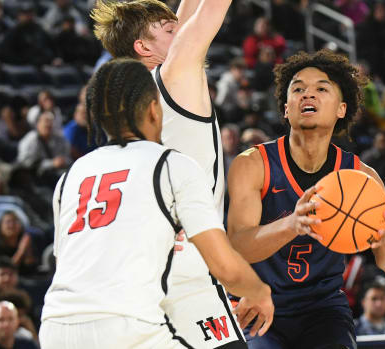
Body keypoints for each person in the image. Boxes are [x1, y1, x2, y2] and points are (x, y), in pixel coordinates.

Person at [39, 58, 273, 349]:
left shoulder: (69, 177)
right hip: (125, 329)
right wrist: (258, 291)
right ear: (153, 109)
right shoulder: (171, 165)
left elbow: (65, 264)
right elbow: (223, 266)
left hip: (55, 328)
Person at [91, 1, 247, 346]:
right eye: (170, 30)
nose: (183, 32)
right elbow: (208, 13)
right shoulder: (175, 76)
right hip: (187, 278)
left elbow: (189, 15)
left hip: (137, 281)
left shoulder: (131, 110)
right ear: (143, 47)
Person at [227, 50, 385, 348]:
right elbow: (239, 245)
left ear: (341, 108)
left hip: (323, 309)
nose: (307, 94)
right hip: (258, 301)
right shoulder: (253, 164)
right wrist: (293, 225)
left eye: (321, 88)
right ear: (286, 108)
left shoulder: (362, 176)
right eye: (297, 89)